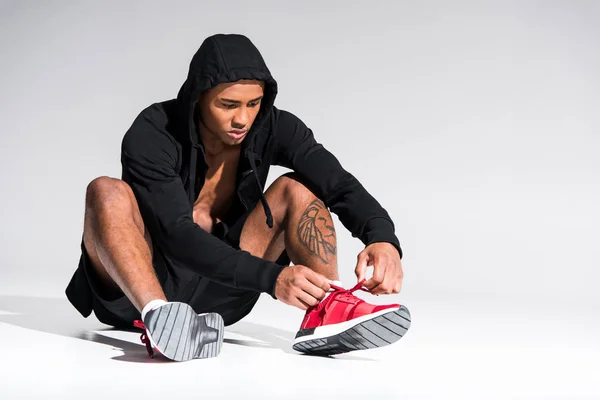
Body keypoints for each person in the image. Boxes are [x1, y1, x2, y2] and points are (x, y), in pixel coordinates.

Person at [65, 33, 411, 361]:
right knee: (105, 190)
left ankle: (328, 309)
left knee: (297, 187)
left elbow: (337, 182)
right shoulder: (154, 132)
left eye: (253, 103)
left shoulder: (274, 127)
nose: (242, 118)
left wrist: (382, 238)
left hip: (223, 293)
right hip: (137, 292)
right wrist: (272, 279)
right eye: (228, 105)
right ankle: (162, 321)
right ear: (198, 97)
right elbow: (177, 234)